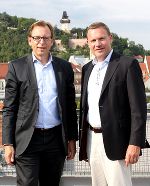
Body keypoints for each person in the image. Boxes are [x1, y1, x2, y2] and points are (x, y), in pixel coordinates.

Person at [2, 20, 78, 186]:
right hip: (28, 139)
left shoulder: (64, 67)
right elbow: (9, 109)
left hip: (56, 139)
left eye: (45, 38)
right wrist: (7, 143)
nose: (41, 42)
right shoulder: (16, 67)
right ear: (30, 40)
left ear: (52, 41)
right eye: (37, 38)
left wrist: (72, 138)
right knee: (27, 183)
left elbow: (70, 107)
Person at [79, 22, 149, 186]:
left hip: (119, 141)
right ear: (88, 43)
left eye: (102, 38)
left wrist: (135, 142)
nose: (98, 44)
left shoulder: (127, 64)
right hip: (91, 139)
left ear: (110, 38)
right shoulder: (87, 68)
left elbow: (138, 109)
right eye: (93, 40)